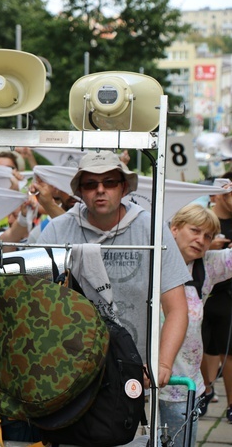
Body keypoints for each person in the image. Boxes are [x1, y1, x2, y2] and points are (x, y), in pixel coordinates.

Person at [36, 150, 189, 389]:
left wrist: (163, 364)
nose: (100, 189)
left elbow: (177, 308)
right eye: (90, 184)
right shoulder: (56, 231)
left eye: (109, 182)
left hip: (135, 375)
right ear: (79, 192)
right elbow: (34, 303)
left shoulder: (151, 229)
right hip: (68, 374)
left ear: (124, 188)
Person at [162, 203, 232, 444]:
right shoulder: (147, 259)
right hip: (138, 383)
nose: (201, 240)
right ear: (173, 229)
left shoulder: (208, 266)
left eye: (208, 236)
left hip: (181, 387)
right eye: (195, 230)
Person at [201, 175, 232, 422]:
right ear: (221, 193)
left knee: (229, 351)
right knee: (202, 347)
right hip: (201, 293)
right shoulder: (204, 219)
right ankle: (206, 390)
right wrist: (208, 247)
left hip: (228, 295)